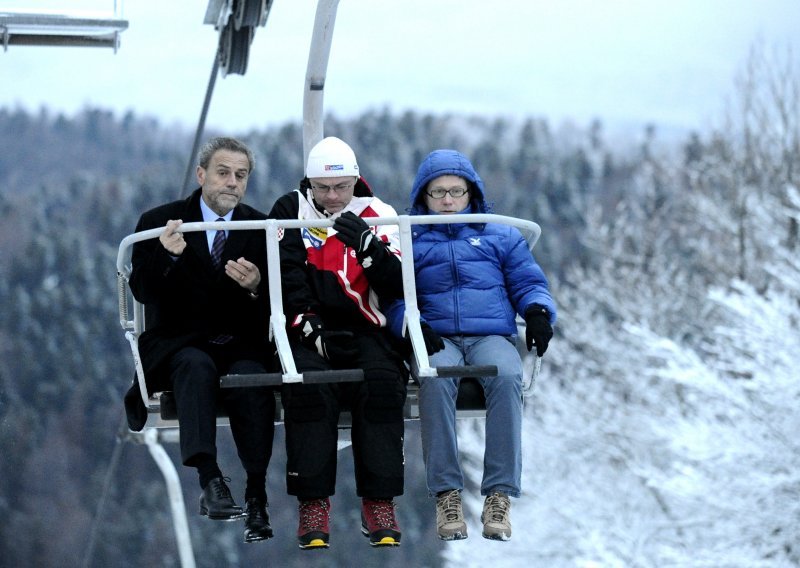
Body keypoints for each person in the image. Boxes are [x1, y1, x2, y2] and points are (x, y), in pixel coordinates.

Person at [385, 149, 556, 542]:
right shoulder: (409, 240)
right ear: (423, 197)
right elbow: (392, 297)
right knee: (434, 377)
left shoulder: (499, 235)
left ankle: (499, 493)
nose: (448, 201)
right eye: (438, 192)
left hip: (489, 334)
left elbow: (529, 282)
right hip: (437, 334)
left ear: (471, 194)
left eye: (456, 192)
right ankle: (447, 493)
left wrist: (537, 313)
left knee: (508, 375)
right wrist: (411, 327)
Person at [125, 137, 276, 544]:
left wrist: (257, 287)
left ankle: (257, 492)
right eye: (223, 173)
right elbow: (141, 289)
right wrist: (167, 256)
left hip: (238, 341)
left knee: (252, 379)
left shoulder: (258, 228)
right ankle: (210, 479)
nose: (232, 183)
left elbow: (276, 306)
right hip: (180, 341)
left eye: (240, 176)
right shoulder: (162, 221)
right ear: (201, 174)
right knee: (195, 367)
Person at [268, 136, 408, 549]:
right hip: (309, 327)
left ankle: (378, 500)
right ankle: (313, 500)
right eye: (323, 188)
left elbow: (399, 284)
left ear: (356, 180)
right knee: (308, 387)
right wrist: (313, 331)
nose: (331, 197)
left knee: (382, 383)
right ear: (309, 182)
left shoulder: (379, 213)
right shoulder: (290, 209)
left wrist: (368, 248)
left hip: (365, 324)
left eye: (341, 187)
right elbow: (287, 275)